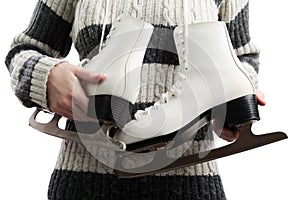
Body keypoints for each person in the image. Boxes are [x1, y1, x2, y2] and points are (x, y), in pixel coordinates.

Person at [5, 0, 265, 199]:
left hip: (192, 184)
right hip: (83, 180)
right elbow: (24, 50)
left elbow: (242, 57)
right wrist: (47, 77)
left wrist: (236, 96)